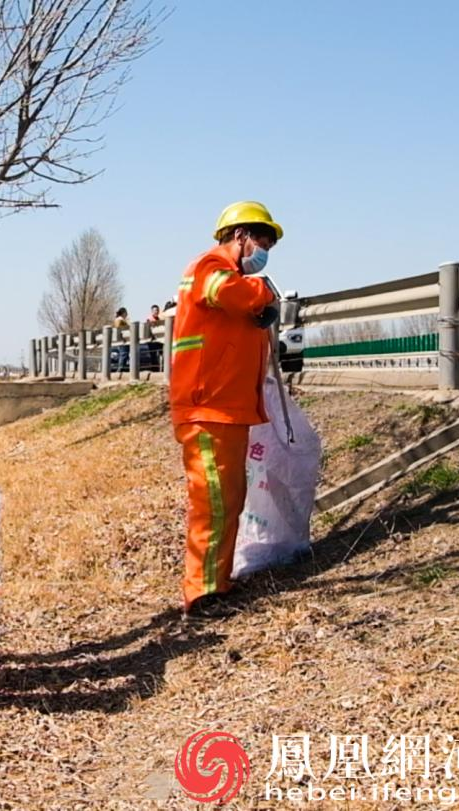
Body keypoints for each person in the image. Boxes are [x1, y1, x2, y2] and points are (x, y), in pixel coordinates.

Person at [169, 201, 281, 618]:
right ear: (240, 236)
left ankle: (217, 582)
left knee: (229, 499)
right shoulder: (210, 265)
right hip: (207, 407)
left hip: (227, 408)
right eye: (263, 241)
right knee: (212, 501)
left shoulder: (229, 274)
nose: (264, 250)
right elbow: (226, 293)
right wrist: (265, 292)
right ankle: (201, 594)